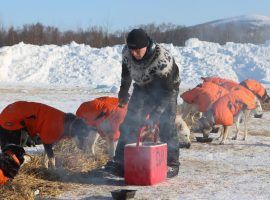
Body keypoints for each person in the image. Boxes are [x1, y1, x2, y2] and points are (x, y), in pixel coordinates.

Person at [102, 28, 181, 178]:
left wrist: (155, 116)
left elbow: (167, 92)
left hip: (167, 89)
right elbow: (126, 72)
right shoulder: (127, 52)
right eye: (132, 49)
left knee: (166, 125)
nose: (134, 53)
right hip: (142, 86)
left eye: (138, 50)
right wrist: (123, 92)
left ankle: (172, 164)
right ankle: (120, 161)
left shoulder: (162, 60)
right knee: (130, 123)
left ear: (147, 46)